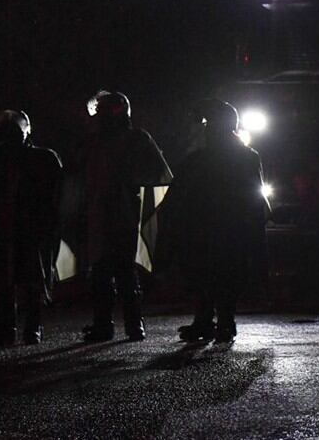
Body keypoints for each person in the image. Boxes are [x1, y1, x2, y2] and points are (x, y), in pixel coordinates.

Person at [156, 99, 270, 344]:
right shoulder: (241, 157)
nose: (206, 129)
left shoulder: (208, 159)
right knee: (213, 273)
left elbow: (178, 195)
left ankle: (216, 321)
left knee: (214, 274)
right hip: (219, 227)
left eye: (209, 124)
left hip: (216, 227)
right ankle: (213, 321)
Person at [80, 91, 172, 342]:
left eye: (102, 111)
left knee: (120, 268)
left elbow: (159, 173)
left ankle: (130, 324)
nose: (99, 117)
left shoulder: (135, 138)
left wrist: (126, 180)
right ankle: (110, 325)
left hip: (122, 211)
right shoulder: (96, 141)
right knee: (105, 270)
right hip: (101, 211)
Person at [0, 110, 62, 345]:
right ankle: (12, 328)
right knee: (6, 278)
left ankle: (30, 328)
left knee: (31, 278)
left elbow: (55, 195)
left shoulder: (43, 158)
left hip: (30, 227)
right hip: (5, 226)